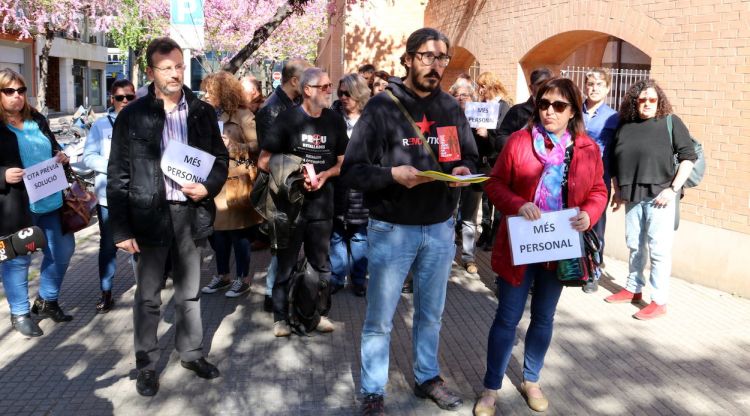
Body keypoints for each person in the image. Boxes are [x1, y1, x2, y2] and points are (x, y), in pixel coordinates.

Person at [340, 27, 478, 415]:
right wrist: (391, 175)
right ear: (408, 59)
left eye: (441, 58)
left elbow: (464, 156)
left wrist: (465, 169)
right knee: (380, 319)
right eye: (427, 57)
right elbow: (352, 171)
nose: (435, 65)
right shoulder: (381, 107)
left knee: (431, 314)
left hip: (439, 228)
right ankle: (371, 390)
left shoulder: (450, 107)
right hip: (392, 230)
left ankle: (427, 377)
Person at [472, 77, 607, 416]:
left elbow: (598, 192)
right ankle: (491, 388)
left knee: (544, 317)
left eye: (558, 106)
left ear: (572, 110)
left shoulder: (587, 148)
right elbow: (495, 184)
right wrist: (517, 204)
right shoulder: (519, 141)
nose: (549, 111)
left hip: (559, 246)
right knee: (507, 317)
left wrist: (589, 215)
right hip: (521, 245)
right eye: (543, 104)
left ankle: (531, 379)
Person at [107, 37, 228, 396]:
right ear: (150, 72)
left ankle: (190, 353)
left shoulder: (202, 112)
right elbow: (118, 175)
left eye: (178, 65)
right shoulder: (133, 115)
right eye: (166, 68)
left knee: (189, 292)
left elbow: (220, 161)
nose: (175, 73)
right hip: (148, 216)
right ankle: (146, 364)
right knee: (148, 297)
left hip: (189, 215)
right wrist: (120, 228)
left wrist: (208, 187)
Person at [259, 67, 348, 337]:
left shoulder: (334, 121)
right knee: (285, 264)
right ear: (307, 90)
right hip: (291, 206)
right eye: (324, 86)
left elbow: (343, 164)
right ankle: (280, 319)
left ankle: (318, 313)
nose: (329, 91)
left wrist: (326, 174)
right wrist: (296, 174)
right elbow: (263, 161)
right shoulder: (287, 120)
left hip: (323, 205)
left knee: (321, 264)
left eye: (330, 86)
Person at [605, 79, 696, 320]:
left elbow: (688, 158)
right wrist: (617, 189)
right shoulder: (625, 125)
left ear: (659, 101)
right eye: (642, 99)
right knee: (634, 244)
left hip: (661, 196)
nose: (647, 103)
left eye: (652, 99)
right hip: (633, 196)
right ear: (635, 101)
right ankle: (633, 288)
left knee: (658, 250)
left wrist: (673, 189)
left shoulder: (670, 122)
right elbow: (615, 162)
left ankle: (659, 300)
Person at [0, 68, 75, 337]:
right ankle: (19, 313)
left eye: (21, 90)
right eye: (9, 91)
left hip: (51, 201)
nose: (17, 96)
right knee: (16, 261)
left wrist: (61, 157)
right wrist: (3, 175)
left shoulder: (37, 119)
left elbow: (52, 148)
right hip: (15, 209)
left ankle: (46, 301)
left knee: (63, 250)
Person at [199, 71, 261, 298]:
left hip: (237, 181)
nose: (206, 94)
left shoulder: (244, 115)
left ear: (222, 92)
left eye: (210, 91)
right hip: (213, 179)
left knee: (238, 234)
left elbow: (259, 145)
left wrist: (235, 145)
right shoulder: (207, 115)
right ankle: (223, 275)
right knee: (217, 233)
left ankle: (242, 278)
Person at [256, 58, 310, 313]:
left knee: (285, 242)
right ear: (295, 81)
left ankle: (277, 291)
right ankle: (271, 295)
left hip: (291, 183)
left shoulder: (291, 104)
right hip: (280, 186)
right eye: (306, 79)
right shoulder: (273, 108)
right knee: (280, 242)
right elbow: (269, 156)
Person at [83, 78, 136, 313]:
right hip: (109, 197)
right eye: (119, 98)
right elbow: (88, 156)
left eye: (129, 97)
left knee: (141, 243)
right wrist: (111, 165)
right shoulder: (100, 126)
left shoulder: (144, 123)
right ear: (111, 99)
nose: (124, 101)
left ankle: (147, 288)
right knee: (108, 246)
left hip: (139, 195)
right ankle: (106, 292)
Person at [330, 74, 371, 296]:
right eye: (340, 93)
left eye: (348, 93)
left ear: (359, 93)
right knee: (336, 233)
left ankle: (358, 278)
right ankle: (337, 277)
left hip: (360, 185)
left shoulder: (370, 119)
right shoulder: (332, 116)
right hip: (336, 184)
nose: (343, 97)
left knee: (359, 234)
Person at [581, 68, 619, 293]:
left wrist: (617, 184)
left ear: (607, 88)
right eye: (590, 84)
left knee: (595, 225)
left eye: (599, 85)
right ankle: (572, 266)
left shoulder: (614, 117)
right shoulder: (574, 112)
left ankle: (593, 272)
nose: (594, 88)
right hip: (572, 176)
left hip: (599, 178)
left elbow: (616, 152)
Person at [474, 72, 512, 252]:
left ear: (491, 86)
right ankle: (485, 231)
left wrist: (487, 133)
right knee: (486, 198)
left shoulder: (503, 107)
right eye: (479, 86)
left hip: (498, 158)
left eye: (483, 86)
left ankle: (495, 236)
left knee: (496, 198)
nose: (480, 90)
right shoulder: (481, 106)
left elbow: (504, 135)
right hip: (484, 158)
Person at [449, 79, 482, 274]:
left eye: (465, 95)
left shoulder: (480, 117)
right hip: (451, 175)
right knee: (449, 217)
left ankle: (469, 258)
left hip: (473, 174)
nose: (460, 98)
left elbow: (490, 148)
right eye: (456, 94)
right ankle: (447, 256)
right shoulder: (447, 116)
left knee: (469, 218)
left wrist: (485, 135)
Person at [491, 67, 552, 153]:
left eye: (549, 83)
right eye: (541, 84)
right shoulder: (516, 111)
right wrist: (520, 146)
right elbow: (500, 140)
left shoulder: (559, 111)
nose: (545, 87)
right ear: (531, 88)